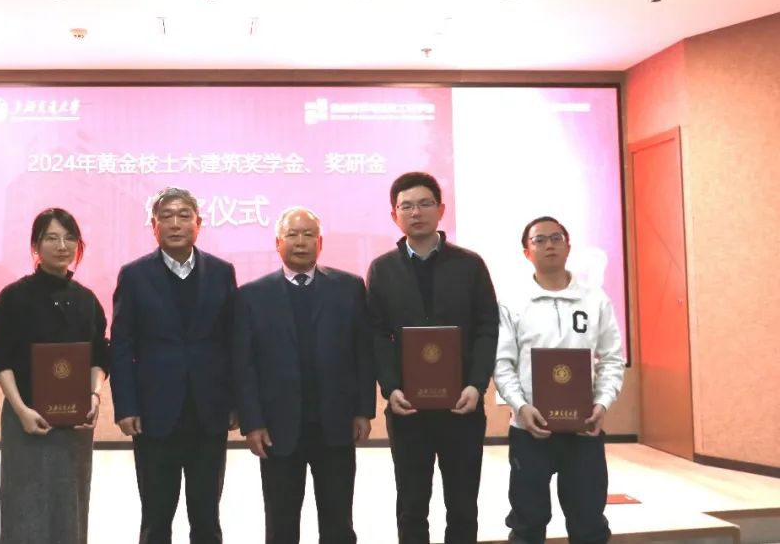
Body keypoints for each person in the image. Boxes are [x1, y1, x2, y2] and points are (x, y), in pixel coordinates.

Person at [365, 171, 499, 544]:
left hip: (462, 405)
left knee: (463, 505)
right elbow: (376, 334)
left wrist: (476, 385)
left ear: (440, 210)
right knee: (411, 505)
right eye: (406, 206)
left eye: (425, 204)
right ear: (394, 215)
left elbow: (487, 327)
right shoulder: (382, 269)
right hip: (408, 408)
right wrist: (390, 388)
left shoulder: (470, 265)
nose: (416, 212)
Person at [233, 206, 375, 544]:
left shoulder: (350, 287)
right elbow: (244, 364)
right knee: (281, 524)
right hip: (277, 428)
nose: (300, 242)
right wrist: (252, 422)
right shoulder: (252, 295)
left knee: (338, 522)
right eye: (292, 235)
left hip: (336, 424)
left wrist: (363, 411)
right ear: (278, 243)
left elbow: (363, 354)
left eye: (308, 235)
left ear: (320, 243)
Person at [110, 186, 238, 544]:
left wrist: (235, 402)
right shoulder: (134, 275)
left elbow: (233, 342)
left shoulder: (221, 272)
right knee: (155, 517)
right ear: (154, 226)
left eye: (184, 215)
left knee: (207, 517)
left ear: (199, 223)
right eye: (166, 216)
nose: (176, 224)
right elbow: (121, 345)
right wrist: (127, 406)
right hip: (154, 414)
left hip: (208, 411)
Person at [494, 216, 625, 544]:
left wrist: (602, 404)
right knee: (527, 522)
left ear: (568, 247)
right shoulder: (511, 301)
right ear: (527, 252)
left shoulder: (596, 299)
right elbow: (502, 363)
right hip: (529, 429)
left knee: (589, 522)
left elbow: (612, 359)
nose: (549, 245)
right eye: (539, 240)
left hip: (584, 429)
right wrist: (521, 407)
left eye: (556, 238)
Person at [0, 208, 110, 544]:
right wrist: (20, 409)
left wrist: (94, 396)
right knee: (24, 506)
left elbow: (99, 355)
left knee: (70, 505)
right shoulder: (14, 296)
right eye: (52, 238)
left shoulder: (86, 300)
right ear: (35, 246)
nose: (62, 245)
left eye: (69, 238)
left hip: (74, 423)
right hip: (26, 419)